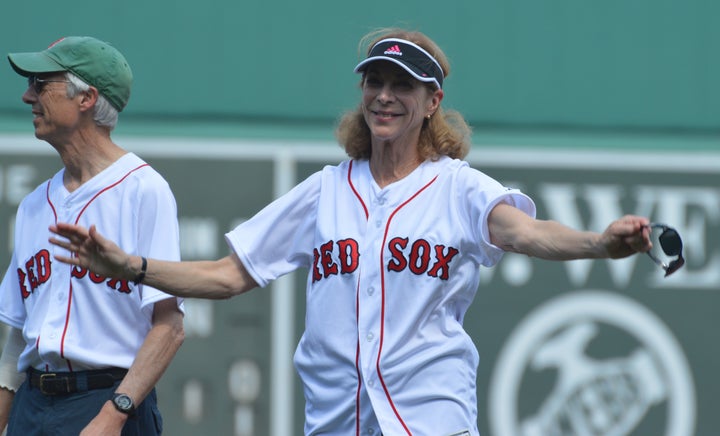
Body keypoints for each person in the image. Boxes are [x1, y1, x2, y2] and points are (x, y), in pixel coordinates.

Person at [48, 28, 652, 436]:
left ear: (431, 100)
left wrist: (600, 243)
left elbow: (527, 233)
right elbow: (231, 274)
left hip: (428, 415)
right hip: (337, 419)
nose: (385, 96)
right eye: (375, 82)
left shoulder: (458, 187)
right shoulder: (326, 190)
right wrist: (133, 268)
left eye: (403, 86)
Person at [0, 36, 185, 435]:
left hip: (107, 399)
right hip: (32, 402)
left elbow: (169, 326)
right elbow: (18, 335)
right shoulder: (33, 205)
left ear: (86, 98)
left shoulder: (143, 190)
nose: (28, 96)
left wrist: (115, 412)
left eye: (40, 83)